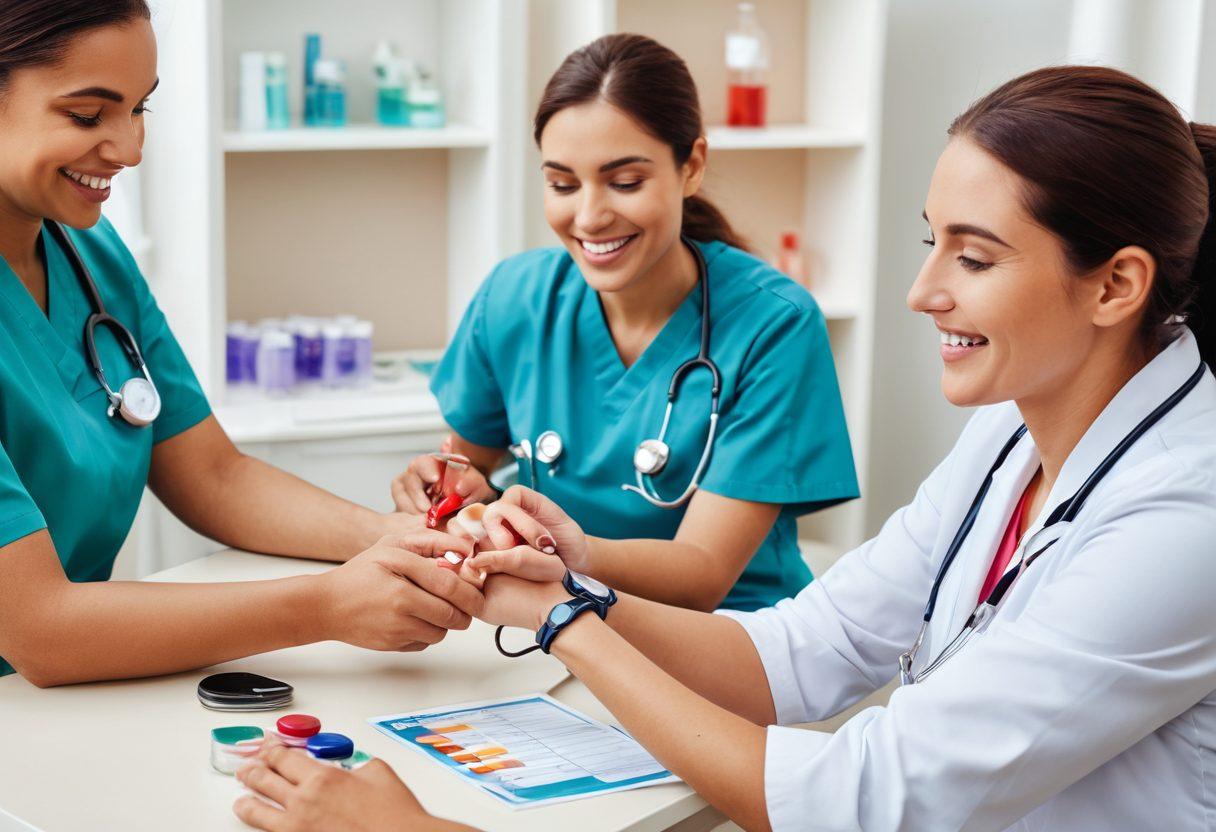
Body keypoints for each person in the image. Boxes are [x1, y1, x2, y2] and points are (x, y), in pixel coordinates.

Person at [238, 65, 1216, 831]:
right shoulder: (1012, 430)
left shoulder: (1183, 519)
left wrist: (565, 619)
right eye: (931, 244)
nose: (922, 293)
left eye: (974, 256)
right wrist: (562, 589)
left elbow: (867, 798)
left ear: (1114, 285)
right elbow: (807, 647)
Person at [0, 0, 481, 688]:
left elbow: (212, 475)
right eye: (86, 115)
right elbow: (41, 630)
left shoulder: (92, 255)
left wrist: (394, 539)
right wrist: (328, 606)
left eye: (139, 108)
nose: (130, 150)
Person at [392, 34, 858, 613]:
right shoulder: (514, 297)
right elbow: (470, 468)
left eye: (626, 182)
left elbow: (701, 576)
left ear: (692, 166)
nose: (589, 217)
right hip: (549, 615)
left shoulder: (774, 326)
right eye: (563, 184)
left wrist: (569, 552)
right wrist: (446, 487)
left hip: (725, 634)